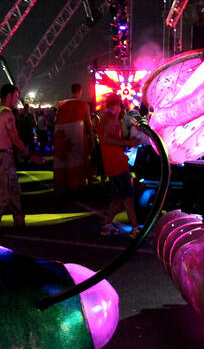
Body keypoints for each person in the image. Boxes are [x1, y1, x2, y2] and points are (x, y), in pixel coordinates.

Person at [0, 83, 42, 231]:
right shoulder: (7, 114)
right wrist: (29, 155)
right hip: (1, 156)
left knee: (13, 189)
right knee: (1, 192)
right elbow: (15, 138)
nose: (17, 100)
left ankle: (19, 220)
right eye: (16, 96)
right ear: (8, 96)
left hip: (0, 155)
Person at [98, 94, 143, 236]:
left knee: (119, 197)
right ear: (117, 105)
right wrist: (129, 143)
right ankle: (135, 229)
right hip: (116, 162)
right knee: (128, 196)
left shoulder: (107, 117)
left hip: (112, 162)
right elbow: (107, 139)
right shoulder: (110, 118)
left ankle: (107, 226)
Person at [53, 83, 94, 196]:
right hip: (79, 137)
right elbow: (89, 125)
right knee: (83, 160)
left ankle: (67, 185)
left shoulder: (62, 105)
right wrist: (93, 140)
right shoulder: (84, 105)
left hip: (65, 137)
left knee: (67, 160)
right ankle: (86, 185)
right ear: (80, 91)